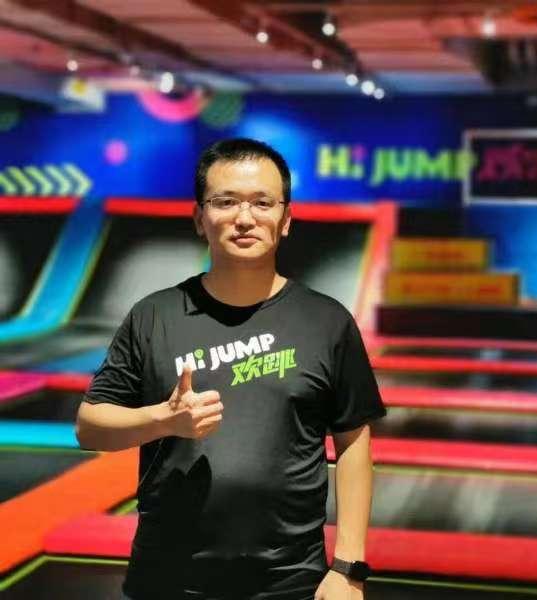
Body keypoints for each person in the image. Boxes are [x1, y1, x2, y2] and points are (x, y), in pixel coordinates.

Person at [75, 138, 387, 600]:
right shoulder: (154, 315)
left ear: (286, 219)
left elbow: (354, 445)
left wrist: (348, 568)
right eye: (225, 202)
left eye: (262, 202)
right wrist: (162, 419)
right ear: (199, 218)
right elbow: (90, 427)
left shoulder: (327, 322)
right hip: (167, 577)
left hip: (289, 580)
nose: (244, 218)